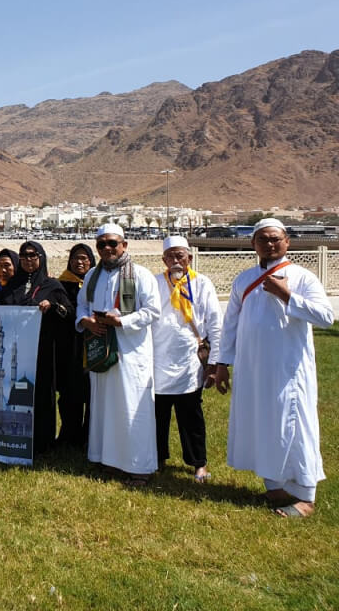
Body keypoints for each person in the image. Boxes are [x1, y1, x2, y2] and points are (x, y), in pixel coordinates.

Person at [215, 218, 335, 517]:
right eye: (263, 239)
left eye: (275, 239)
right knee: (263, 423)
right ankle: (275, 486)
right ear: (253, 243)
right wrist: (222, 363)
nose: (269, 244)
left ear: (287, 242)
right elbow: (230, 324)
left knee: (294, 425)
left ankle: (305, 496)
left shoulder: (302, 277)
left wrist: (286, 294)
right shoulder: (244, 279)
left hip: (288, 370)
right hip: (253, 370)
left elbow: (325, 317)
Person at [75, 223, 161, 484]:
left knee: (132, 407)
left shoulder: (141, 274)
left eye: (112, 243)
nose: (107, 248)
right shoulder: (93, 275)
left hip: (130, 352)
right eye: (101, 244)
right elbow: (82, 305)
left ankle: (139, 467)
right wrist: (86, 321)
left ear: (124, 245)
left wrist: (121, 321)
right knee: (104, 407)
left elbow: (152, 311)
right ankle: (109, 461)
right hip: (102, 350)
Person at [151, 236, 221, 483]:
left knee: (191, 416)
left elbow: (215, 323)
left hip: (189, 361)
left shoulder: (202, 283)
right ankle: (157, 458)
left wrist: (215, 362)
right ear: (164, 260)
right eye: (170, 256)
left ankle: (199, 463)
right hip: (158, 360)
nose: (175, 261)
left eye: (180, 255)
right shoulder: (155, 283)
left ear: (189, 258)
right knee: (157, 415)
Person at [0, 240, 73, 455]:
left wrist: (53, 306)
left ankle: (41, 442)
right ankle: (12, 437)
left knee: (40, 394)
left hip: (42, 351)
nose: (28, 259)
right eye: (24, 256)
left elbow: (69, 313)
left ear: (41, 257)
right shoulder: (13, 285)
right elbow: (2, 311)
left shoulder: (52, 286)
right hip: (15, 351)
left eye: (33, 255)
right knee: (14, 393)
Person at [55, 243, 95, 448]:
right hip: (69, 346)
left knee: (93, 392)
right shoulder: (60, 284)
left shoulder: (98, 283)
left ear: (91, 261)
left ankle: (90, 436)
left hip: (94, 343)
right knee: (70, 392)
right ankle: (69, 434)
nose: (79, 262)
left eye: (84, 258)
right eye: (75, 258)